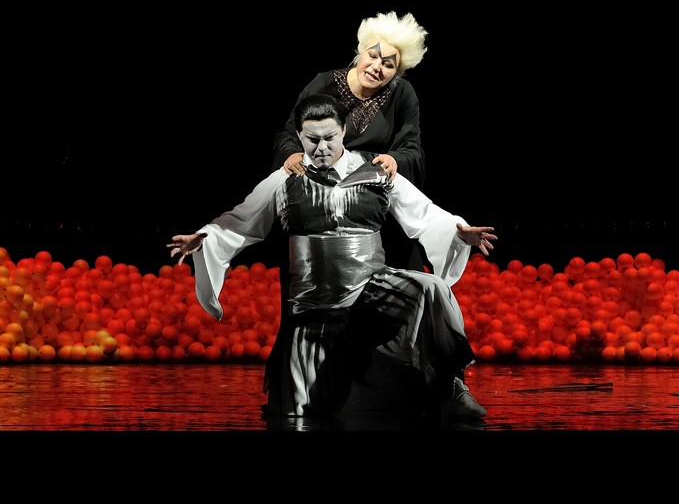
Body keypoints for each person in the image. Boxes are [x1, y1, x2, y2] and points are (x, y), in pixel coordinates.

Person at [168, 93, 498, 422]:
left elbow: (424, 213)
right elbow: (242, 219)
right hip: (313, 305)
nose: (322, 147)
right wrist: (206, 237)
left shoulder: (376, 171)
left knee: (431, 288)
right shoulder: (286, 178)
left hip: (371, 290)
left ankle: (451, 386)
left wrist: (459, 230)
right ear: (300, 137)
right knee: (298, 413)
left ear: (343, 131)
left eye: (329, 137)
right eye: (312, 140)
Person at [271, 10, 429, 270]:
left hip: (374, 196)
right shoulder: (324, 84)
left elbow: (411, 147)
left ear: (397, 72)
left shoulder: (402, 94)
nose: (376, 67)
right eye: (373, 56)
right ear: (361, 52)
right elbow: (290, 134)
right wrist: (291, 154)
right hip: (323, 192)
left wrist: (394, 159)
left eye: (388, 64)